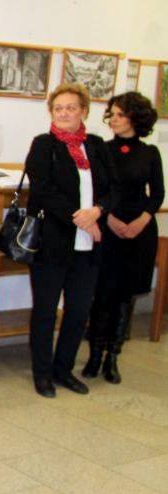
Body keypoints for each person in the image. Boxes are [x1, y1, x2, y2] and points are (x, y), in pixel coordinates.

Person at [25, 83, 118, 398]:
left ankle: (63, 370)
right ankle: (42, 374)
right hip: (52, 243)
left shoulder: (96, 146)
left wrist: (98, 211)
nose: (64, 113)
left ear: (84, 112)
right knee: (45, 311)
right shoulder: (44, 145)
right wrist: (80, 217)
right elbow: (42, 190)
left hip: (88, 247)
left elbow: (113, 188)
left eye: (71, 108)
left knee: (78, 311)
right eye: (58, 108)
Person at [83, 91, 162, 384]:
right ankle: (94, 354)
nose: (113, 119)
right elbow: (95, 191)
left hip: (139, 231)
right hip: (108, 227)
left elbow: (157, 194)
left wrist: (141, 221)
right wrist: (110, 218)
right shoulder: (102, 150)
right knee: (102, 292)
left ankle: (112, 356)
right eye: (112, 114)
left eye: (120, 114)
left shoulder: (149, 153)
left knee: (125, 297)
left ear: (134, 118)